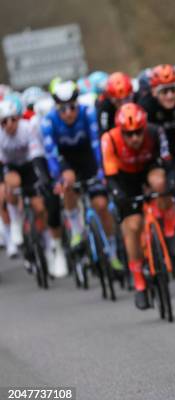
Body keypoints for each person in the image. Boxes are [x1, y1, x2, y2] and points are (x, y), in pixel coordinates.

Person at [41, 81, 122, 272]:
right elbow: (51, 154)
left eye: (71, 107)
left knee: (101, 205)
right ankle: (77, 230)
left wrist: (102, 171)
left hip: (88, 158)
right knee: (67, 182)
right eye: (63, 109)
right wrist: (59, 176)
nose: (68, 113)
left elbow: (96, 144)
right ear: (56, 108)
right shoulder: (49, 121)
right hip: (65, 160)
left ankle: (112, 251)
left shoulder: (88, 114)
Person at [101, 103, 171, 310]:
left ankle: (167, 226)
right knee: (132, 226)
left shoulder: (154, 132)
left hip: (147, 169)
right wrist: (119, 195)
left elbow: (167, 163)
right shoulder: (110, 139)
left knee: (161, 183)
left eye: (138, 132)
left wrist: (170, 185)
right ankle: (139, 281)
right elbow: (110, 178)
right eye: (129, 134)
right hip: (123, 179)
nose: (134, 138)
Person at [0, 100, 66, 272]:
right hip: (11, 166)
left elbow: (37, 157)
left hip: (30, 164)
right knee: (10, 185)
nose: (9, 125)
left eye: (12, 119)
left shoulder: (28, 128)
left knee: (39, 206)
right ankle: (15, 222)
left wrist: (42, 179)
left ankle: (47, 240)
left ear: (18, 118)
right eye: (4, 122)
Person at [138, 64, 175, 170]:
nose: (170, 96)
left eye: (173, 90)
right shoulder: (145, 106)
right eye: (164, 91)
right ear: (154, 92)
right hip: (158, 152)